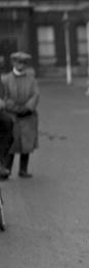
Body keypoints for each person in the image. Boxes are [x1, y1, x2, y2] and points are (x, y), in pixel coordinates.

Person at [0, 51, 39, 179]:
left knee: (26, 144)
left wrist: (27, 107)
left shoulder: (31, 79)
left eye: (24, 63)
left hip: (28, 116)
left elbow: (35, 95)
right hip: (12, 116)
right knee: (11, 143)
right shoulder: (5, 79)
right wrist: (15, 108)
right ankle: (5, 170)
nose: (21, 65)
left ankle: (23, 170)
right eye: (18, 62)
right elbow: (4, 97)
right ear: (13, 63)